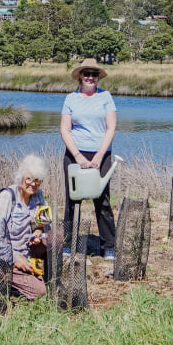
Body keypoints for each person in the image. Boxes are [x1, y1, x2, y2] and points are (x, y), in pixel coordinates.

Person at [60, 58, 117, 261]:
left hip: (101, 154)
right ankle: (67, 243)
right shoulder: (70, 99)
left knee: (102, 201)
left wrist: (100, 156)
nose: (90, 77)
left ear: (98, 77)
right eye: (87, 74)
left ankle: (109, 245)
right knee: (72, 199)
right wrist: (77, 156)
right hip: (75, 154)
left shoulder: (106, 97)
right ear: (80, 77)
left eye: (94, 74)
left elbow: (111, 128)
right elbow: (65, 129)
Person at [0, 155, 52, 302]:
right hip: (5, 257)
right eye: (29, 178)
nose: (32, 184)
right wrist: (15, 258)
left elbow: (46, 218)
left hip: (28, 253)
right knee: (41, 292)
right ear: (21, 177)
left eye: (37, 180)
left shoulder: (38, 195)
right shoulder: (7, 197)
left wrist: (38, 229)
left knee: (56, 236)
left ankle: (41, 274)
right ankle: (2, 278)